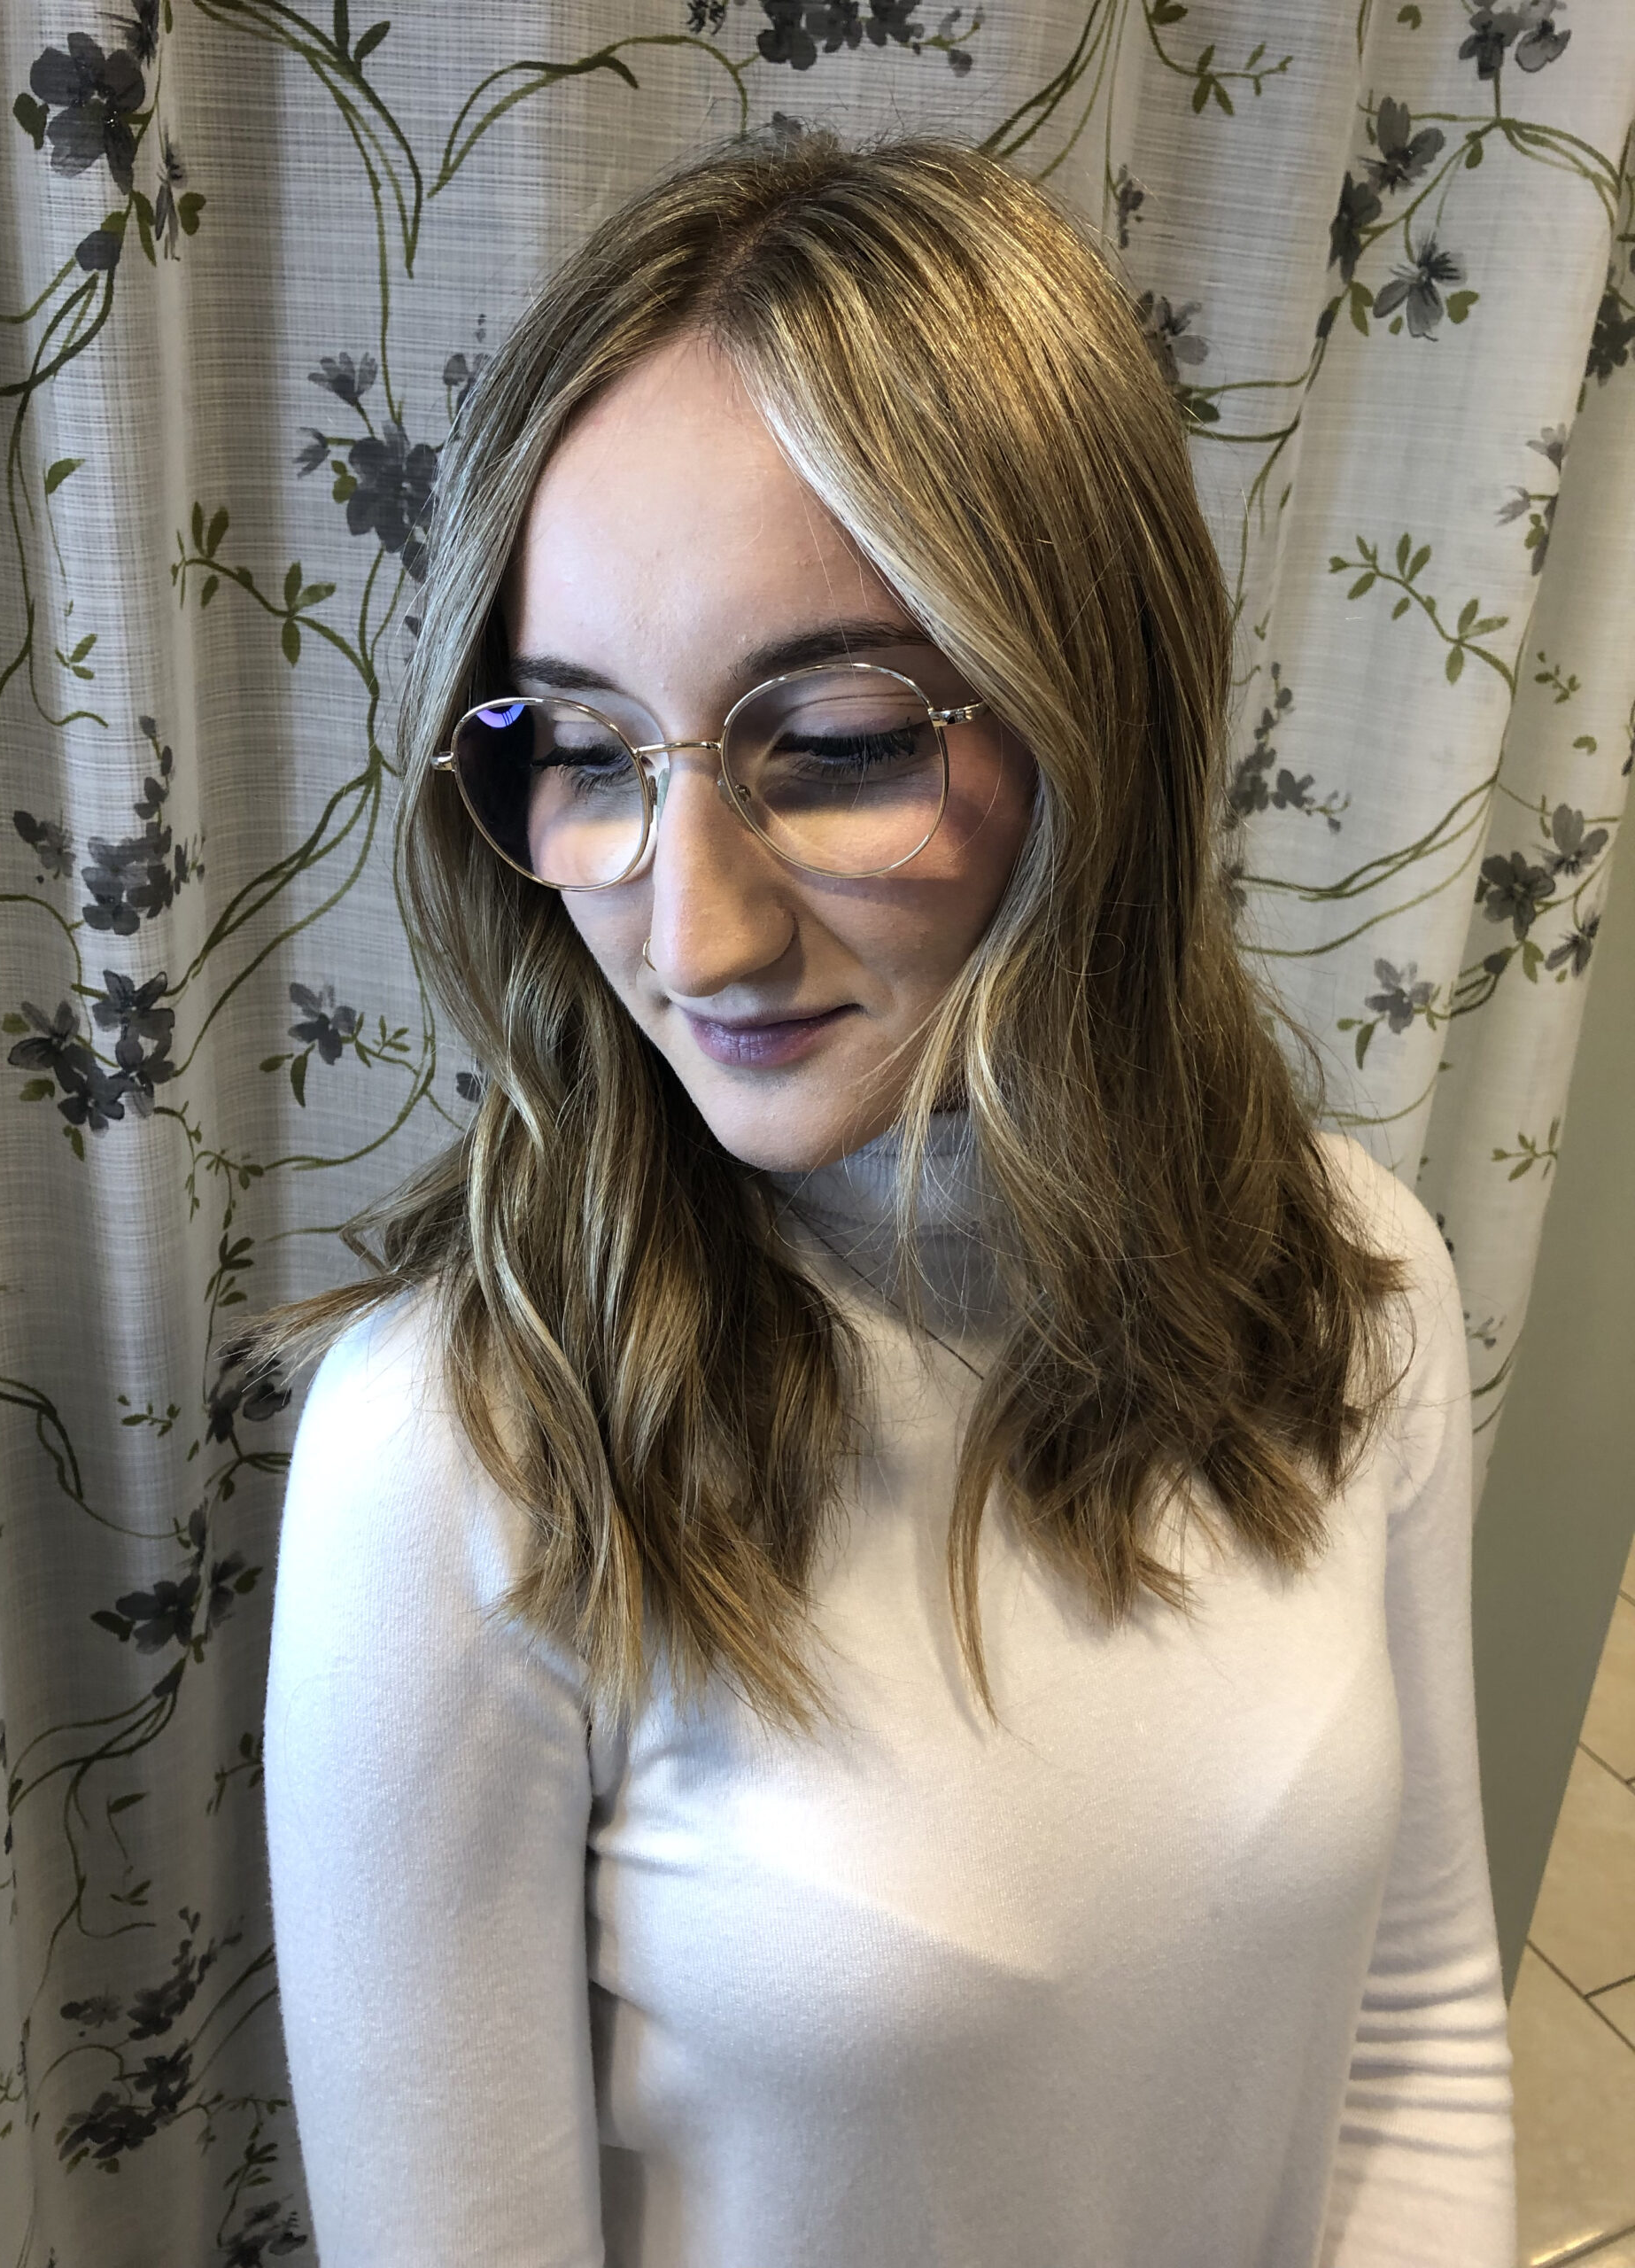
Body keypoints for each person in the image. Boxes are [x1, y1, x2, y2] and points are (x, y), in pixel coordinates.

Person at [251, 131, 1516, 2266]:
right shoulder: (458, 1456)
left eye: (831, 744)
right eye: (585, 750)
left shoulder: (1356, 1275)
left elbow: (1414, 2029)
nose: (692, 935)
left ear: (1100, 714)